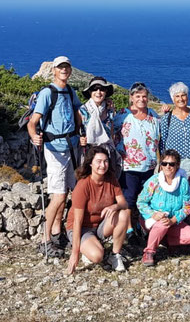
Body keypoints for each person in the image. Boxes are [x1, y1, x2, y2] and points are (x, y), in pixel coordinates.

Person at [27, 55, 86, 256]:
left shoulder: (70, 91)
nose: (64, 70)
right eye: (60, 67)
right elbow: (33, 122)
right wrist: (34, 136)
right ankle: (45, 240)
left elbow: (78, 113)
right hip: (55, 150)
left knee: (69, 192)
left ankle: (57, 233)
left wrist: (80, 132)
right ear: (54, 70)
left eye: (66, 67)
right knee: (59, 195)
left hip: (72, 147)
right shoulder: (47, 93)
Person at [66, 145, 131, 274]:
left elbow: (124, 203)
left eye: (105, 161)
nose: (103, 165)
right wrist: (75, 253)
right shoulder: (83, 185)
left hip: (100, 225)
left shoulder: (111, 179)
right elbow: (77, 222)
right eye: (99, 161)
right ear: (90, 163)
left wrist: (115, 206)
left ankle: (115, 255)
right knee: (97, 256)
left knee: (124, 214)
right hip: (81, 228)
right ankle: (86, 249)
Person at [112, 82, 161, 231]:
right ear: (131, 97)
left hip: (149, 166)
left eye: (144, 96)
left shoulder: (153, 115)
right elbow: (111, 132)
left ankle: (142, 227)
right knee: (129, 198)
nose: (141, 99)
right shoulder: (123, 115)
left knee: (145, 198)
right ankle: (128, 230)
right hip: (129, 166)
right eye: (137, 96)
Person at [136, 149, 190, 266]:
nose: (168, 167)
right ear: (161, 165)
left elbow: (187, 206)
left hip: (172, 221)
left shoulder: (183, 183)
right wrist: (153, 214)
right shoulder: (154, 181)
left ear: (177, 165)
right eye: (164, 163)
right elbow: (141, 202)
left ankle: (161, 240)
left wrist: (173, 220)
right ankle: (149, 252)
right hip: (152, 219)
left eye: (172, 164)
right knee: (162, 224)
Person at [158, 82, 190, 176]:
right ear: (173, 99)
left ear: (187, 97)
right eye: (177, 96)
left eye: (183, 95)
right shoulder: (167, 118)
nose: (180, 99)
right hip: (173, 165)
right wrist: (163, 164)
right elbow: (162, 144)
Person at [79, 76, 119, 172]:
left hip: (107, 153)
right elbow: (77, 131)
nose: (98, 92)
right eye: (94, 89)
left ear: (106, 92)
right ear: (90, 92)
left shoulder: (110, 110)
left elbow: (112, 133)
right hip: (89, 153)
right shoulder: (82, 111)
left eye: (102, 89)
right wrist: (80, 139)